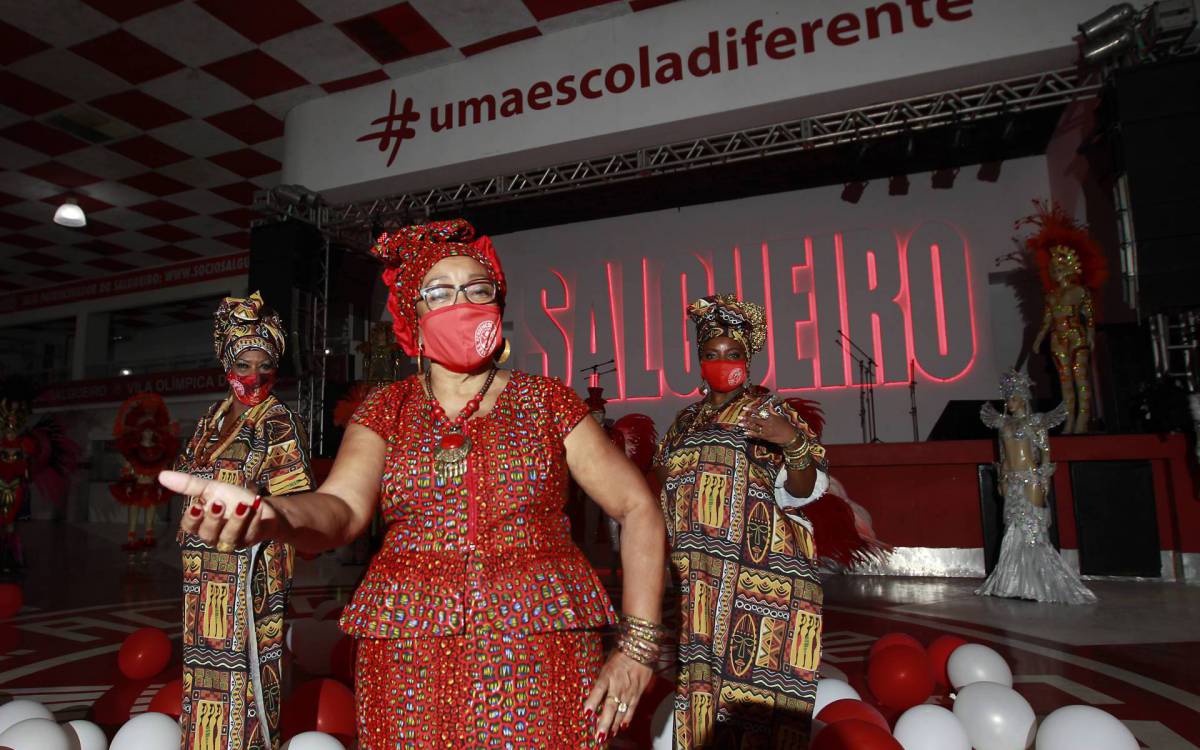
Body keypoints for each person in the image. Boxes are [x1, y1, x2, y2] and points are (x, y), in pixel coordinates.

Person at [161, 219, 667, 748]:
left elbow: (636, 507)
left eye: (478, 288)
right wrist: (273, 514)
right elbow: (342, 508)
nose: (463, 301)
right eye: (439, 291)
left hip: (542, 648)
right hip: (409, 653)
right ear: (413, 318)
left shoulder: (548, 401)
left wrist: (637, 648)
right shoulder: (387, 408)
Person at [654, 294, 829, 749]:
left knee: (756, 700)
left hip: (762, 579)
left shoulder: (767, 410)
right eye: (711, 355)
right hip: (699, 583)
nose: (721, 363)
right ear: (699, 362)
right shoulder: (684, 422)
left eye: (732, 355)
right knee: (701, 691)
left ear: (748, 360)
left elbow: (801, 487)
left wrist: (791, 442)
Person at [174, 292, 314, 750]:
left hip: (249, 575)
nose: (254, 375)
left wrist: (256, 504)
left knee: (249, 678)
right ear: (226, 365)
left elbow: (297, 501)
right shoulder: (210, 420)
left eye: (264, 363)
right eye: (244, 363)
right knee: (204, 675)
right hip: (204, 577)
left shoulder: (277, 422)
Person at [978, 369, 1096, 604]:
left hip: (1030, 478)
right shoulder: (1003, 425)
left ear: (1023, 397)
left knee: (1032, 530)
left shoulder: (1036, 422)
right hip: (1011, 480)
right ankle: (1013, 581)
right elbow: (1002, 456)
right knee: (1012, 529)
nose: (1009, 403)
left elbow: (1045, 454)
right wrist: (1002, 479)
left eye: (1013, 397)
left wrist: (1044, 481)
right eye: (1007, 398)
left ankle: (1038, 582)